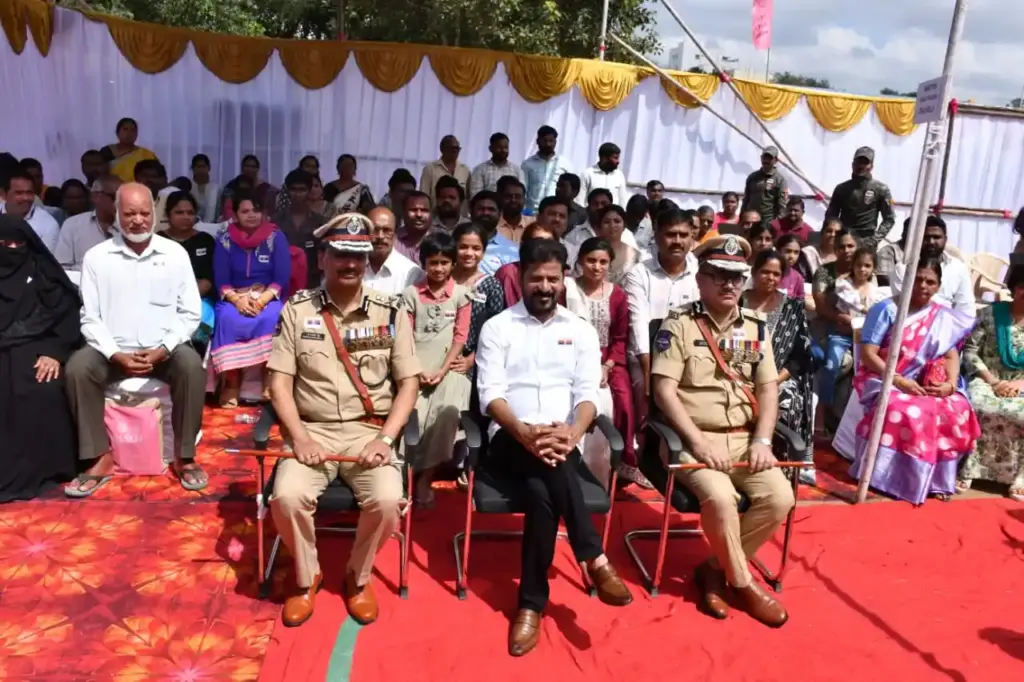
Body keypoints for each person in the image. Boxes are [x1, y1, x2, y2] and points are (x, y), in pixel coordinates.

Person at [476, 238, 633, 657]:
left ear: (563, 280)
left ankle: (530, 605)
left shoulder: (579, 330)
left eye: (552, 278)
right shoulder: (498, 328)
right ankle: (593, 557)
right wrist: (525, 433)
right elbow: (489, 395)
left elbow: (588, 395)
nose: (544, 286)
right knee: (546, 471)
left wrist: (573, 432)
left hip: (563, 442)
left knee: (543, 492)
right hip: (509, 439)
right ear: (520, 278)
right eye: (536, 278)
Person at [267, 212, 420, 627]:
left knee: (388, 501)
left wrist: (385, 441)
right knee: (286, 496)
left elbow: (409, 384)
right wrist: (298, 437)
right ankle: (306, 575)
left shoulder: (390, 312)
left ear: (367, 259)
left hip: (369, 432)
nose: (349, 263)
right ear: (323, 259)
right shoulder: (297, 311)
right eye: (340, 254)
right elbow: (279, 383)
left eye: (358, 254)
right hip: (311, 430)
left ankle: (358, 575)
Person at [651, 234, 794, 627]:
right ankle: (743, 584)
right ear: (701, 279)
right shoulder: (679, 323)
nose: (729, 284)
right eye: (719, 276)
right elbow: (663, 390)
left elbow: (767, 387)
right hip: (693, 439)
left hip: (744, 439)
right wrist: (697, 443)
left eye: (736, 276)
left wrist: (763, 439)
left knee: (780, 497)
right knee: (721, 498)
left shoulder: (754, 327)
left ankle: (715, 569)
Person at [65, 182, 206, 496]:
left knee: (191, 366)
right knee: (78, 368)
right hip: (113, 354)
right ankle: (99, 457)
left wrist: (163, 348)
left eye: (144, 213)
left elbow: (190, 313)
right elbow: (90, 317)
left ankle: (185, 457)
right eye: (129, 213)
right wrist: (116, 354)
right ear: (117, 214)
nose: (138, 220)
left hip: (163, 352)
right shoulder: (97, 258)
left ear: (155, 214)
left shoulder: (175, 254)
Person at [850, 257, 980, 504]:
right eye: (918, 279)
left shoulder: (941, 315)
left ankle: (938, 481)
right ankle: (891, 478)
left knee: (956, 407)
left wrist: (950, 385)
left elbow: (951, 354)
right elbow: (868, 355)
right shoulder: (887, 310)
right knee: (910, 410)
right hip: (884, 377)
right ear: (907, 280)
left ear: (938, 286)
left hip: (924, 382)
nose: (923, 285)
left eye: (930, 281)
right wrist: (898, 381)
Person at [0, 216, 81, 502]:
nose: (11, 249)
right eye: (3, 244)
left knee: (40, 389)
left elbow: (67, 316)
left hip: (39, 348)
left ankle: (46, 467)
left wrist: (55, 352)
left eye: (17, 243)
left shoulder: (44, 273)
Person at [564, 238, 647, 488]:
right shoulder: (567, 290)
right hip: (571, 357)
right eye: (591, 260)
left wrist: (607, 365)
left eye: (603, 262)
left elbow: (620, 338)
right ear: (579, 261)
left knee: (622, 400)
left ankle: (623, 463)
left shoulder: (617, 295)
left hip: (609, 360)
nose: (596, 267)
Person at [402, 233, 472, 506]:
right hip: (415, 367)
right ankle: (404, 477)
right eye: (433, 262)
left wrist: (443, 371)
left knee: (445, 416)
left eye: (444, 262)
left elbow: (460, 337)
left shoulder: (461, 296)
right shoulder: (410, 295)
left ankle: (424, 478)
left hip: (448, 369)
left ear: (452, 264)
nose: (439, 268)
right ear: (424, 263)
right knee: (412, 419)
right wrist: (416, 370)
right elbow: (405, 337)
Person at [741, 250, 817, 484]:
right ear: (754, 272)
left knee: (788, 400)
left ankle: (783, 465)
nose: (770, 277)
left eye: (776, 274)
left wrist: (772, 381)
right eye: (765, 272)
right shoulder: (737, 301)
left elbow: (800, 357)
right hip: (736, 373)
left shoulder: (793, 308)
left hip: (779, 376)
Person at [624, 208, 699, 442]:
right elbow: (638, 324)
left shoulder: (700, 273)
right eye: (670, 234)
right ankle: (640, 450)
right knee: (642, 396)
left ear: (692, 237)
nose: (677, 241)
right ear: (656, 236)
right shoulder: (639, 273)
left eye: (683, 235)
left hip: (688, 356)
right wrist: (649, 376)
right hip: (646, 357)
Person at [211, 190, 290, 407]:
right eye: (245, 211)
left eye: (256, 210)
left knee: (272, 317)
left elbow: (281, 277)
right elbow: (221, 278)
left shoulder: (276, 237)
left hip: (266, 295)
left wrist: (262, 300)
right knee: (227, 318)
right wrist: (237, 300)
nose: (252, 215)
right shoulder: (225, 239)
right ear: (235, 214)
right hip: (234, 296)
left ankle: (269, 380)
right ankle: (231, 384)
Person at [961, 266, 1024, 501]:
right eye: (1021, 287)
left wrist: (1020, 384)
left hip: (1022, 385)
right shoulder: (989, 314)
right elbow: (970, 351)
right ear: (1014, 289)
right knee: (979, 405)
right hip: (988, 379)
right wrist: (993, 381)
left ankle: (1019, 477)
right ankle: (970, 470)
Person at [160, 191, 216, 346]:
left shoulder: (205, 240)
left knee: (198, 329)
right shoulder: (158, 240)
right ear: (167, 214)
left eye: (190, 213)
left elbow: (208, 280)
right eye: (179, 212)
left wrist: (186, 300)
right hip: (163, 300)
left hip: (199, 299)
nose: (185, 217)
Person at [890, 215, 974, 317]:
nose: (931, 242)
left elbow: (965, 308)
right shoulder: (903, 268)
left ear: (945, 239)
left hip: (949, 326)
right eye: (926, 237)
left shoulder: (958, 268)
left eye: (936, 237)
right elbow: (903, 307)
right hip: (912, 325)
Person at [825, 146, 896, 249]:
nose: (861, 166)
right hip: (843, 241)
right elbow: (831, 215)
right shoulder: (841, 188)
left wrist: (873, 240)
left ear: (871, 166)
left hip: (866, 242)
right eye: (858, 162)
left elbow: (889, 219)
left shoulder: (880, 189)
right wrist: (834, 235)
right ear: (852, 164)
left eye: (865, 163)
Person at [55, 175, 121, 272]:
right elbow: (62, 269)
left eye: (124, 197)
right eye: (114, 197)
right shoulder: (72, 225)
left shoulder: (131, 226)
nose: (120, 202)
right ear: (95, 196)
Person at [275, 169, 327, 290]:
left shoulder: (321, 222)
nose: (297, 194)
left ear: (309, 192)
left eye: (302, 189)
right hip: (282, 282)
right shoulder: (276, 221)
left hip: (312, 282)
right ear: (288, 192)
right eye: (293, 189)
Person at [563, 188, 639, 268]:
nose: (599, 207)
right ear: (588, 208)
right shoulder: (575, 234)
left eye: (604, 204)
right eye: (595, 204)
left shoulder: (627, 235)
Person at [494, 222, 558, 308]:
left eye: (549, 243)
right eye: (538, 242)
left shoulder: (563, 274)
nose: (544, 248)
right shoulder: (508, 273)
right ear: (523, 245)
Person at [364, 206, 423, 296]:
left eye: (387, 230)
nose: (380, 236)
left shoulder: (412, 274)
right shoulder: (351, 267)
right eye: (374, 230)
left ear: (395, 235)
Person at [0, 169, 60, 253]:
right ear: (3, 194)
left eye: (29, 193)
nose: (26, 198)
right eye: (19, 193)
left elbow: (44, 263)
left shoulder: (48, 225)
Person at [522, 125, 572, 214]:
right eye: (544, 141)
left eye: (551, 141)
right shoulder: (527, 164)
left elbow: (570, 190)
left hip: (556, 212)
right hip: (533, 213)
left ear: (555, 142)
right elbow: (523, 190)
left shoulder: (564, 164)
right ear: (537, 141)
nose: (548, 144)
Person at [741, 146, 788, 228]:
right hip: (751, 221)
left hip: (768, 222)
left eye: (769, 158)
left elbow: (782, 205)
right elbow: (746, 199)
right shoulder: (752, 177)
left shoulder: (780, 180)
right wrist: (741, 216)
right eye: (764, 157)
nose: (766, 160)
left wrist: (776, 224)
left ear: (776, 160)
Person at [420, 135, 471, 210]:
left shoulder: (465, 170)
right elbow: (424, 195)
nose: (455, 151)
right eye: (452, 148)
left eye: (457, 149)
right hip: (436, 216)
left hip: (460, 217)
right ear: (442, 149)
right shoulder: (430, 169)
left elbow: (469, 196)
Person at [593, 204, 640, 285]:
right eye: (606, 222)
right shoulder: (590, 251)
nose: (612, 225)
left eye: (617, 221)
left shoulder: (634, 255)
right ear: (599, 226)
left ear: (624, 225)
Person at [468, 132, 525, 198]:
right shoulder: (479, 170)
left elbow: (521, 195)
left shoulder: (517, 170)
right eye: (499, 147)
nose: (503, 150)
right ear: (490, 148)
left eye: (506, 147)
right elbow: (475, 196)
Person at [101, 117, 157, 183]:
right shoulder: (107, 151)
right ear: (117, 132)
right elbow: (100, 174)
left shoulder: (146, 154)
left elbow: (155, 175)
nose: (129, 133)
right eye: (125, 129)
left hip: (138, 190)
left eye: (133, 130)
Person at [580, 142, 628, 207]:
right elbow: (580, 200)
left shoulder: (619, 175)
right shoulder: (588, 174)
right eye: (615, 158)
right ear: (604, 158)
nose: (618, 161)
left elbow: (623, 201)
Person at [394, 190, 434, 263]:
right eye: (413, 210)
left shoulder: (440, 240)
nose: (419, 215)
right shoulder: (392, 241)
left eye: (424, 210)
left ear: (431, 214)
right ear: (403, 212)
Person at [797, 217, 841, 282]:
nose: (833, 235)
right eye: (829, 231)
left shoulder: (843, 258)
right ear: (822, 233)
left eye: (837, 233)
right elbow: (800, 279)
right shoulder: (808, 253)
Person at [495, 176, 534, 243]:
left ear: (524, 200)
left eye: (518, 196)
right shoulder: (493, 225)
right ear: (500, 198)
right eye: (508, 196)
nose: (513, 200)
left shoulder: (533, 225)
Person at [190, 154, 221, 224]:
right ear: (193, 168)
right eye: (198, 167)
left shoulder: (216, 189)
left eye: (203, 166)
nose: (201, 170)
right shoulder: (188, 187)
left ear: (209, 168)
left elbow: (219, 213)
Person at [775, 235, 806, 300]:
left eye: (796, 252)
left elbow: (800, 301)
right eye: (788, 251)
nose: (792, 256)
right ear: (778, 251)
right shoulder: (768, 271)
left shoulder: (798, 278)